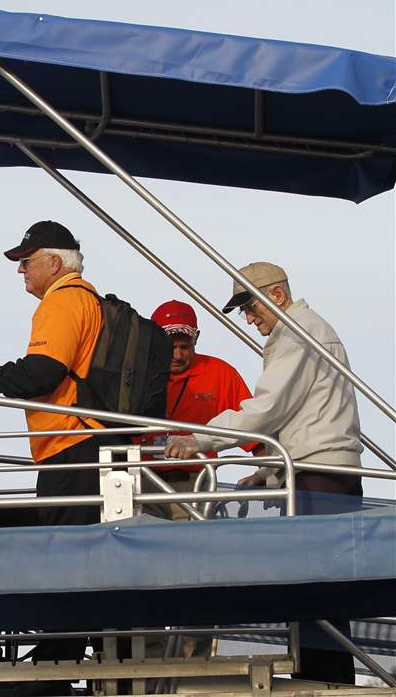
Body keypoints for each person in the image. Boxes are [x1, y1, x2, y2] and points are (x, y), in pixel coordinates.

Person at [164, 262, 363, 684]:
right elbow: (304, 413)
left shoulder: (298, 334)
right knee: (318, 590)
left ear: (276, 296)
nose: (248, 318)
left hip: (319, 475)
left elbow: (268, 408)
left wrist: (199, 439)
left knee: (315, 589)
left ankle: (325, 681)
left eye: (250, 307)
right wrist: (269, 469)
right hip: (320, 469)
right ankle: (324, 676)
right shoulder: (306, 330)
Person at [0, 221, 103, 688]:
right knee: (77, 553)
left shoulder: (63, 299)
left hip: (72, 443)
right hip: (83, 442)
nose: (21, 270)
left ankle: (59, 654)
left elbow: (42, 371)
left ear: (54, 263)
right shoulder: (88, 299)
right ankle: (64, 648)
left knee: (65, 553)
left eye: (26, 260)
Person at [145, 299, 260, 523]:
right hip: (141, 480)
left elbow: (255, 431)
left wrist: (264, 474)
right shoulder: (136, 373)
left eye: (184, 347)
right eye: (171, 347)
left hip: (194, 484)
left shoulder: (220, 374)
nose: (177, 355)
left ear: (195, 339)